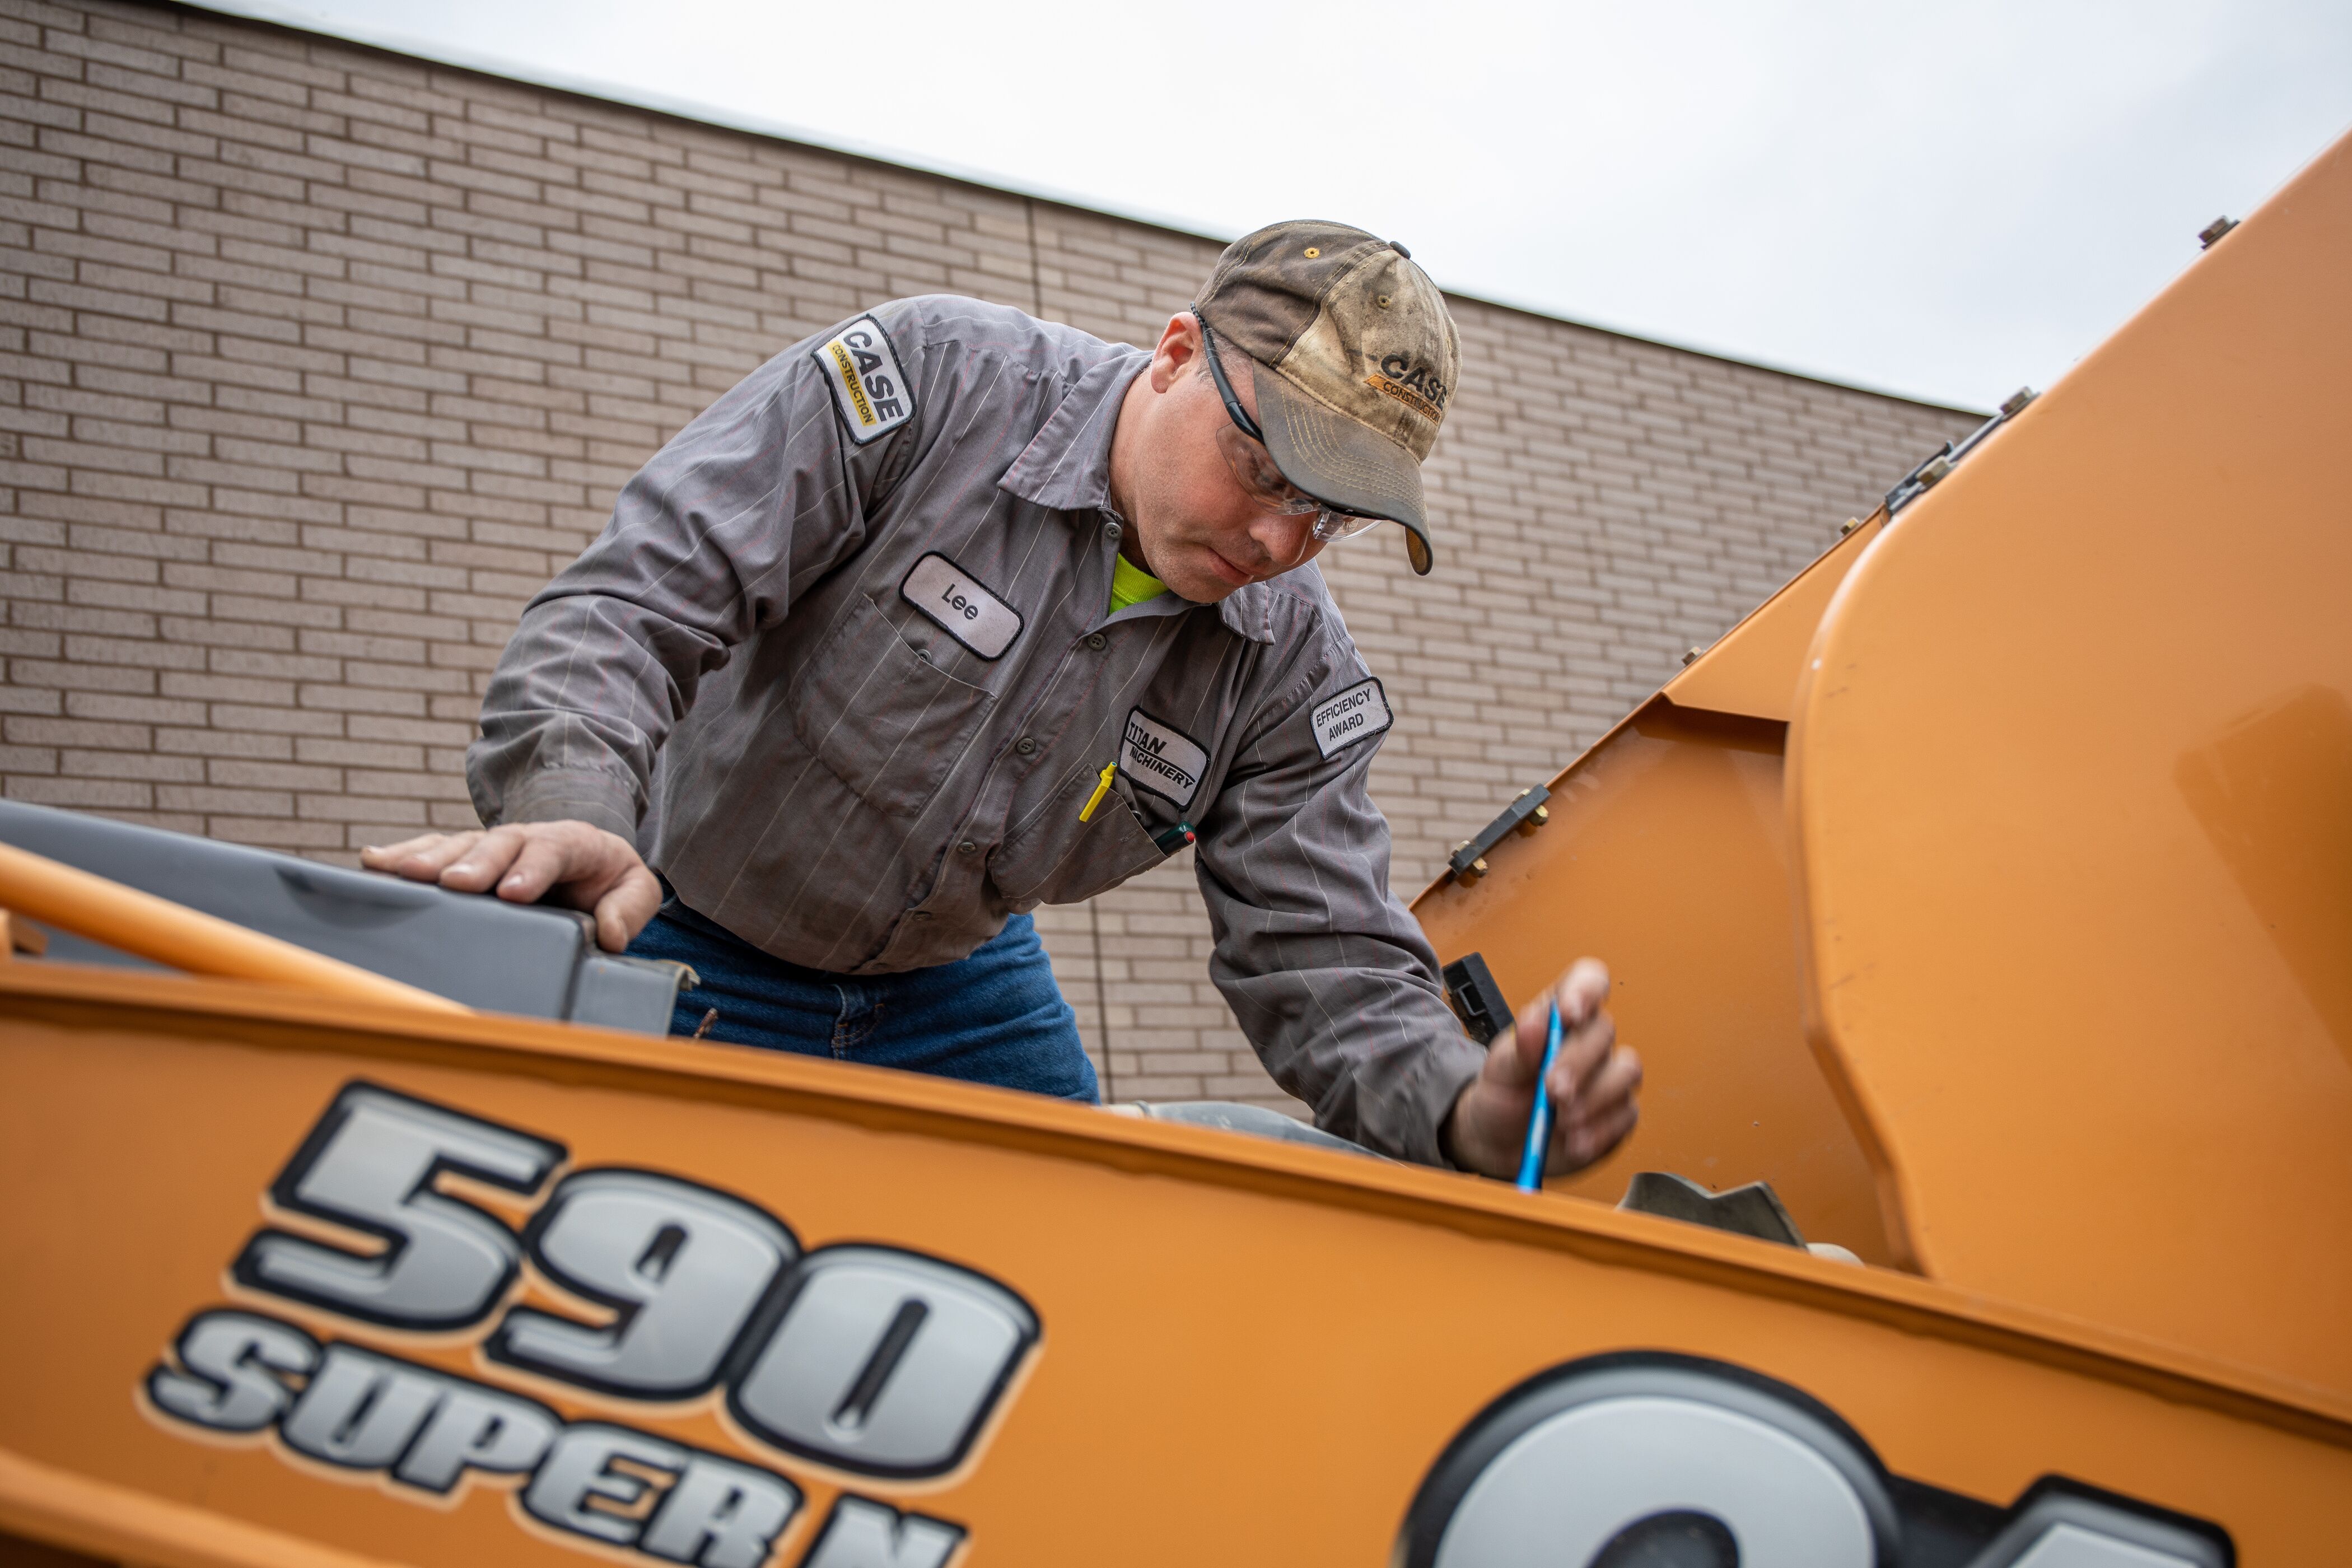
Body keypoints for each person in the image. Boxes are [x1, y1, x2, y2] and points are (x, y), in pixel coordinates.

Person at [364, 221, 1641, 1179]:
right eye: (1262, 466)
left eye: (1333, 516)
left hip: (955, 991)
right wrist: (576, 802)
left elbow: (1321, 954)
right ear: (1177, 353)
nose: (1278, 537)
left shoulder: (1292, 672)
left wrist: (1464, 1108)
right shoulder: (930, 385)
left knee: (1055, 1273)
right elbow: (641, 598)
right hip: (676, 922)